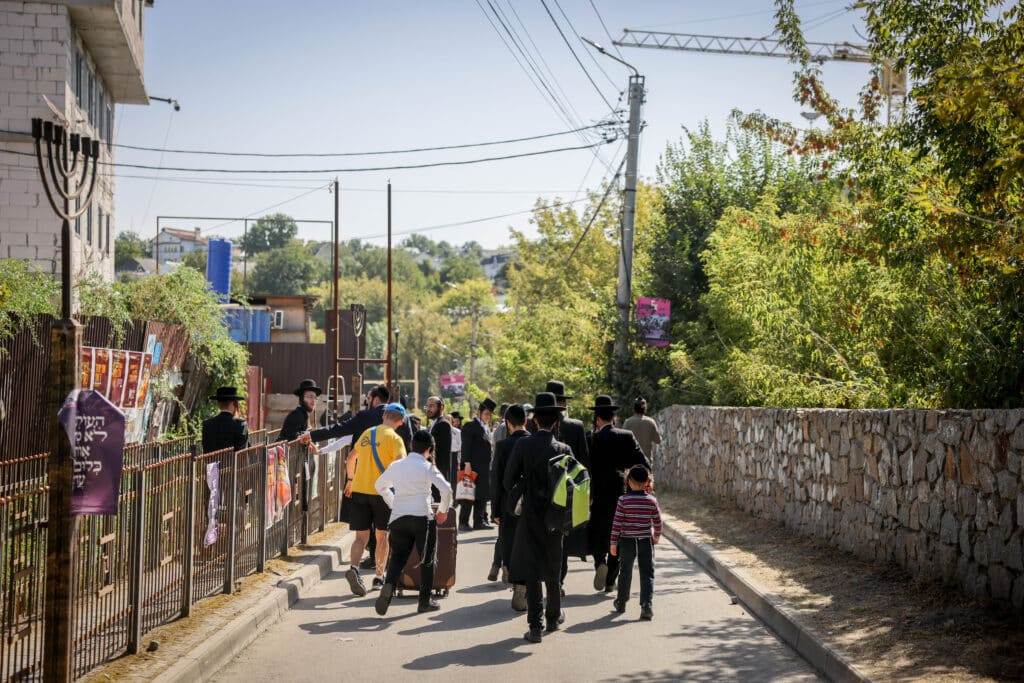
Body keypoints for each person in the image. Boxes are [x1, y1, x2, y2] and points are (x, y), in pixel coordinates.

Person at [505, 392, 570, 643]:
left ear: (534, 421)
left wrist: (524, 484)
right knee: (553, 569)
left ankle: (535, 627)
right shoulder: (564, 449)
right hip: (556, 516)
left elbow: (508, 480)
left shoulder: (523, 445)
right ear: (555, 422)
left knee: (532, 570)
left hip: (530, 515)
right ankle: (553, 618)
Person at [374, 429, 453, 616]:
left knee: (397, 558)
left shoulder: (396, 465)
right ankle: (424, 601)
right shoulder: (427, 467)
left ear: (411, 446)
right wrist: (442, 511)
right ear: (430, 449)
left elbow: (379, 485)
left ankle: (389, 586)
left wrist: (394, 502)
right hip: (422, 517)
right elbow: (447, 490)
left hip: (399, 517)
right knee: (427, 560)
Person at [586, 395, 651, 594]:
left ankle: (599, 563)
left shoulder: (589, 438)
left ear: (597, 418)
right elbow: (644, 463)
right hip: (620, 491)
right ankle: (611, 580)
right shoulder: (626, 436)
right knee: (617, 534)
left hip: (595, 493)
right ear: (613, 417)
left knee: (597, 530)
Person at [342, 402, 408, 596]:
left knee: (360, 537)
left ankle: (354, 569)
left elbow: (351, 458)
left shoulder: (368, 433)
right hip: (382, 493)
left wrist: (351, 479)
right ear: (401, 421)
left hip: (360, 490)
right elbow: (400, 464)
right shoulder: (395, 439)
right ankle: (379, 576)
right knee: (382, 535)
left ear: (383, 416)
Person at [544, 380, 590, 580]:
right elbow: (584, 463)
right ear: (563, 403)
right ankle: (558, 581)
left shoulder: (534, 424)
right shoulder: (576, 426)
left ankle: (536, 581)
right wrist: (588, 493)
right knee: (561, 537)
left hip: (540, 490)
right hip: (566, 491)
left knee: (539, 536)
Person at [610, 465, 662, 620]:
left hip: (627, 541)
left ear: (629, 481)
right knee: (647, 572)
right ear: (647, 481)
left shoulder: (623, 500)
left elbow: (617, 523)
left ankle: (621, 601)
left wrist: (613, 542)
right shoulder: (651, 501)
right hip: (645, 540)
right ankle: (646, 605)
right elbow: (658, 522)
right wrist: (656, 536)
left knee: (625, 570)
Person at [490, 403, 529, 606]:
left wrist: (495, 510)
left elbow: (495, 480)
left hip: (508, 503)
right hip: (532, 503)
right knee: (529, 543)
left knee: (511, 541)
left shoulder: (503, 446)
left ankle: (514, 579)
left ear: (507, 422)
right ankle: (525, 585)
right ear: (526, 420)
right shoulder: (534, 442)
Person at [302, 384, 390, 446]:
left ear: (377, 400)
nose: (367, 402)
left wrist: (312, 435)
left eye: (369, 398)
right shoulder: (400, 418)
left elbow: (339, 428)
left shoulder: (366, 416)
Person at [459, 397, 496, 531]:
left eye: (490, 414)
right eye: (486, 414)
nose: (488, 417)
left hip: (484, 467)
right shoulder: (471, 426)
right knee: (468, 494)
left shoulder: (485, 427)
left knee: (481, 495)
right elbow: (466, 446)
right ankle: (463, 522)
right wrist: (467, 463)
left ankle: (478, 521)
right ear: (479, 412)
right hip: (472, 466)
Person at [202, 387, 249, 453]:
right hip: (232, 463)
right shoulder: (240, 424)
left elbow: (206, 449)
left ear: (219, 404)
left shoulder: (207, 424)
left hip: (212, 462)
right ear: (233, 403)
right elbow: (242, 452)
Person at [424, 396, 456, 489]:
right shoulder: (434, 424)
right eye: (427, 406)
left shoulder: (443, 424)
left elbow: (439, 452)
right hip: (432, 473)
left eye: (431, 406)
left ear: (441, 407)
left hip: (439, 474)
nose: (428, 409)